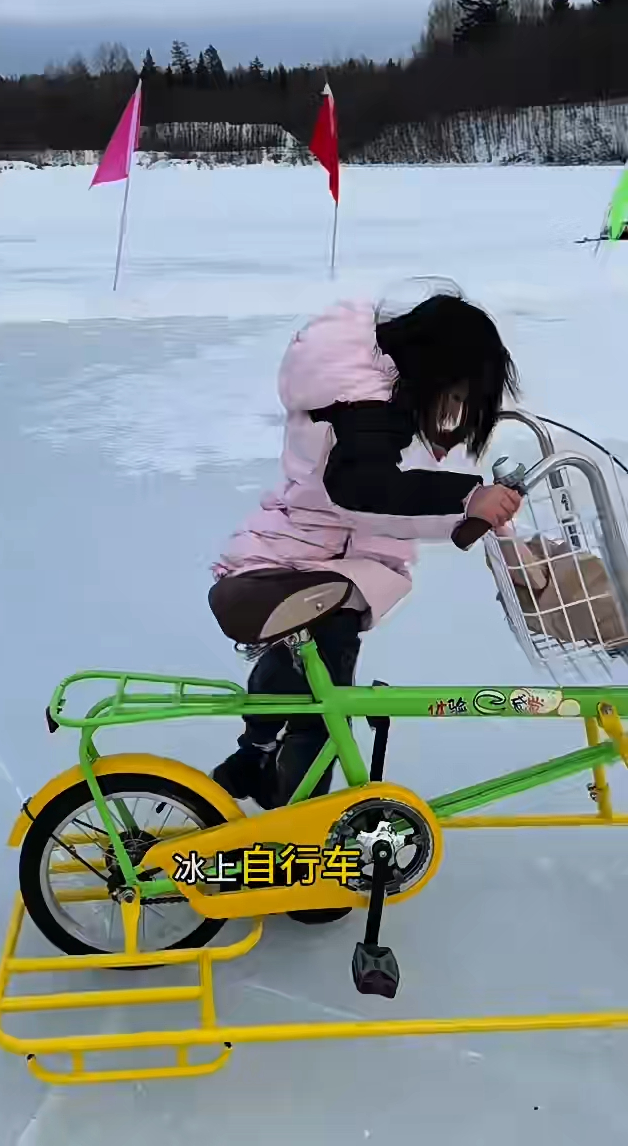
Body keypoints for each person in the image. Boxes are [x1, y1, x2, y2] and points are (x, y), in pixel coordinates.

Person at [208, 282, 522, 813]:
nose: (456, 409)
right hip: (318, 560)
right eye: (460, 394)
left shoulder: (360, 386)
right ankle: (304, 838)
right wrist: (466, 499)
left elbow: (381, 495)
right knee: (328, 701)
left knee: (304, 666)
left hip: (303, 548)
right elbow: (365, 494)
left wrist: (463, 510)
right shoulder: (364, 411)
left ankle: (253, 754)